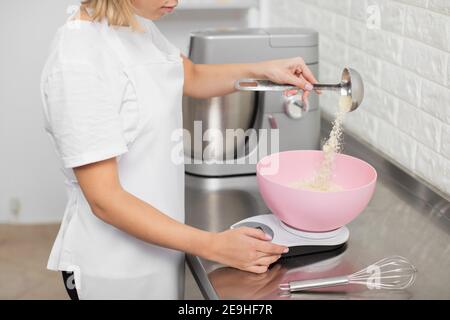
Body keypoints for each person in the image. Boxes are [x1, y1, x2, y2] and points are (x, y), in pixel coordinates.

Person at [40, 0, 318, 300]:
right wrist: (215, 246)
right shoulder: (78, 61)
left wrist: (264, 70)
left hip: (163, 248)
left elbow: (191, 75)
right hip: (116, 271)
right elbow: (105, 199)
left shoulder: (136, 25)